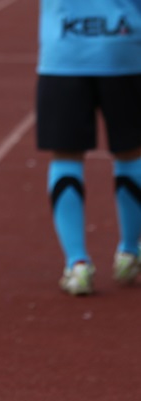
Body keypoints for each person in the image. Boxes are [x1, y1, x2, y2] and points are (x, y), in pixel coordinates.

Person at [36, 0, 141, 295]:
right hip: (124, 48)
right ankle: (129, 253)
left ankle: (77, 264)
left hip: (64, 51)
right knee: (131, 153)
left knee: (66, 156)